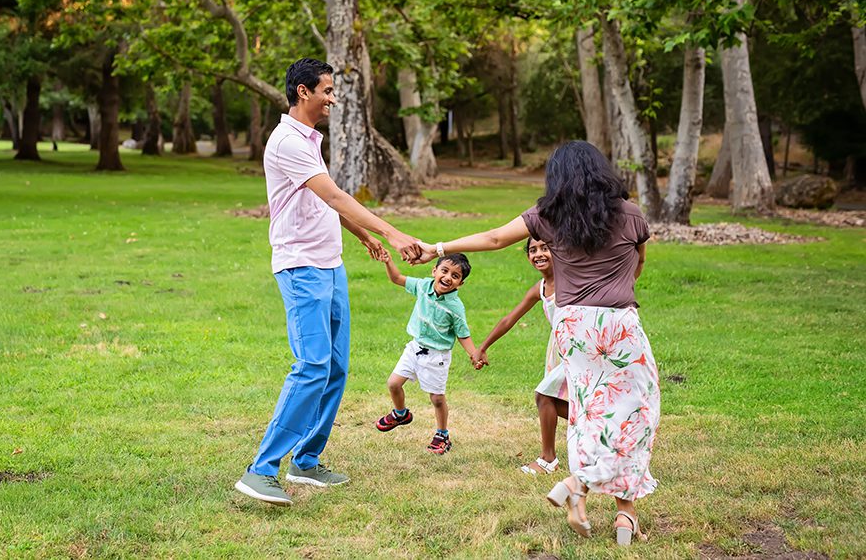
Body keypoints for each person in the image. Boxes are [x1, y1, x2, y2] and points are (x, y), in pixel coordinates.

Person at [411, 141, 659, 546]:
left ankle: (599, 501)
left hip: (573, 325)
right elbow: (640, 262)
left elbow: (493, 239)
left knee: (588, 412)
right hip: (618, 322)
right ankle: (605, 500)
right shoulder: (630, 215)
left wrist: (435, 249)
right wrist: (614, 291)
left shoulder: (548, 216)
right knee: (637, 412)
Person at [235, 58, 422, 507]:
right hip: (301, 268)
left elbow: (323, 199)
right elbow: (336, 194)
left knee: (335, 368)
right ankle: (260, 470)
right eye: (327, 90)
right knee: (312, 365)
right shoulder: (287, 142)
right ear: (303, 92)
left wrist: (360, 235)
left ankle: (306, 460)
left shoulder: (309, 139)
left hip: (329, 264)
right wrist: (391, 233)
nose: (332, 98)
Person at [471, 238, 569, 477]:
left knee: (545, 396)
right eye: (532, 250)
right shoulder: (541, 288)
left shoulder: (573, 280)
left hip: (579, 349)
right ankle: (604, 430)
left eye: (545, 248)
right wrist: (483, 346)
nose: (538, 254)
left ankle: (548, 459)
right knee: (558, 401)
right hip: (559, 350)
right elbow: (509, 319)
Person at [374, 249, 477, 455]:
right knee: (393, 384)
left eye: (455, 276)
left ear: (460, 284)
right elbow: (396, 278)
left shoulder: (455, 307)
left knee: (437, 399)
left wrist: (474, 354)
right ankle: (401, 414)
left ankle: (442, 434)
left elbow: (462, 334)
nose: (447, 277)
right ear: (434, 270)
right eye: (444, 271)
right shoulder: (422, 286)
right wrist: (388, 261)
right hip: (414, 348)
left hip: (436, 356)